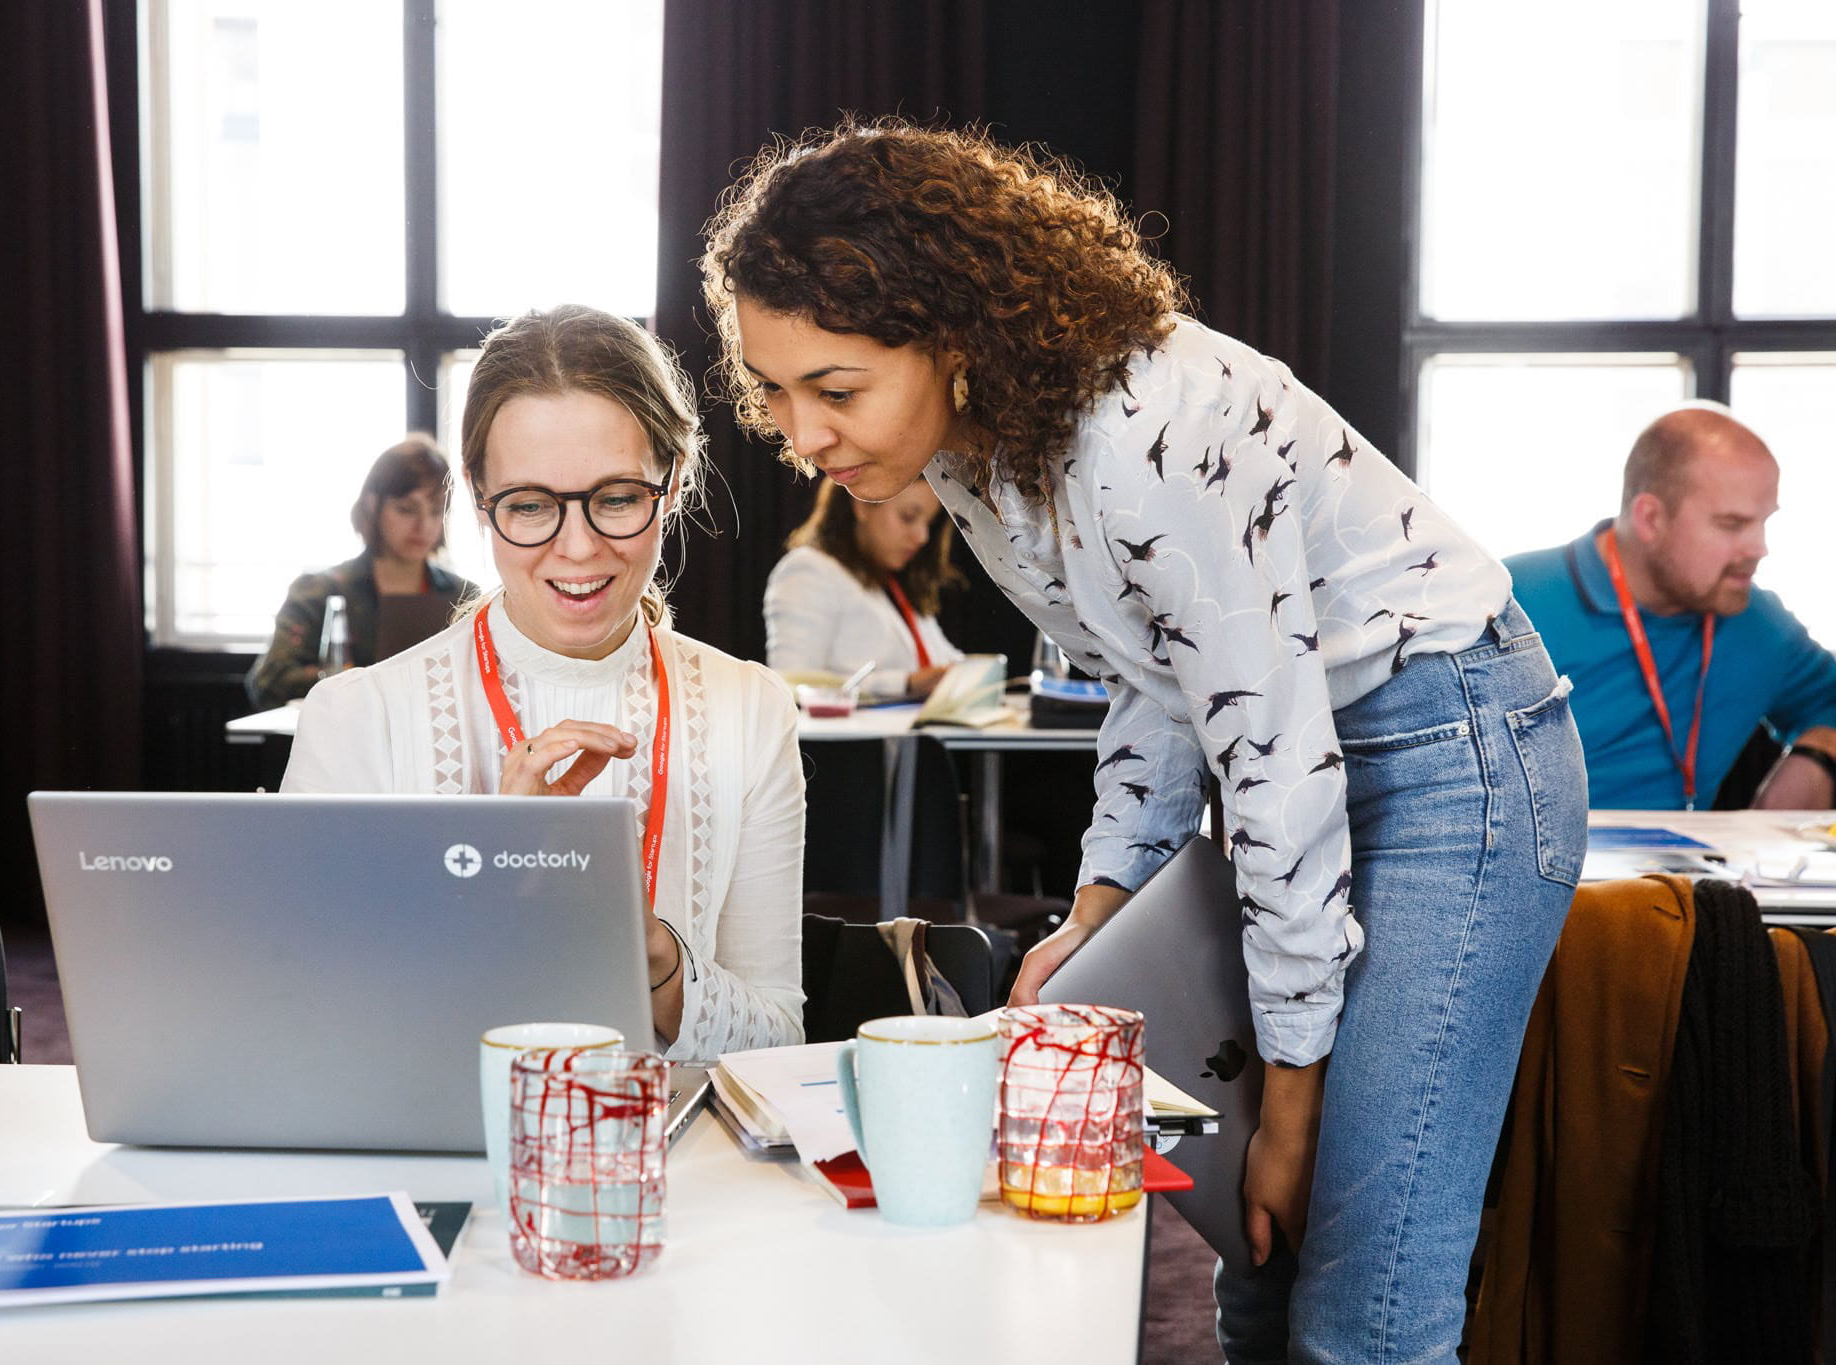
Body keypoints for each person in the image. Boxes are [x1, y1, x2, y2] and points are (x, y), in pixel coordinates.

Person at [702, 120, 1586, 1361]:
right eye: (775, 391)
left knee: (1359, 1301)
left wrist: (1285, 1104)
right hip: (1302, 762)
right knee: (1252, 1274)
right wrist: (1098, 908)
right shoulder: (971, 449)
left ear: (954, 338)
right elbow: (1156, 682)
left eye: (834, 389)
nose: (801, 435)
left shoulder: (1138, 441)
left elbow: (1273, 770)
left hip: (1453, 757)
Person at [280, 305, 806, 1061]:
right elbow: (312, 1028)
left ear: (675, 480)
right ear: (478, 495)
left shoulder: (750, 710)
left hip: (677, 1167)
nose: (580, 547)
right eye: (530, 505)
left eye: (619, 497)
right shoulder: (359, 717)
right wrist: (484, 895)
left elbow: (777, 1043)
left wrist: (655, 956)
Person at [1506, 403, 1836, 811]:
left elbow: (1829, 701)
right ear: (1650, 518)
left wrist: (1819, 755)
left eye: (1763, 521)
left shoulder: (1757, 621)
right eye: (1732, 525)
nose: (1759, 549)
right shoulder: (1507, 605)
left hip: (1682, 871)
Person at [245, 434, 471, 707]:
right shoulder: (319, 592)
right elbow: (268, 682)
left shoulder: (464, 597)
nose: (424, 526)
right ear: (372, 505)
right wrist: (345, 678)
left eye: (436, 511)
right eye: (407, 509)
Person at [765, 477, 965, 700]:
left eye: (928, 523)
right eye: (908, 517)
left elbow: (939, 661)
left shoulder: (895, 583)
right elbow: (791, 682)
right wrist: (903, 683)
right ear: (862, 505)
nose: (922, 536)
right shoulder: (809, 569)